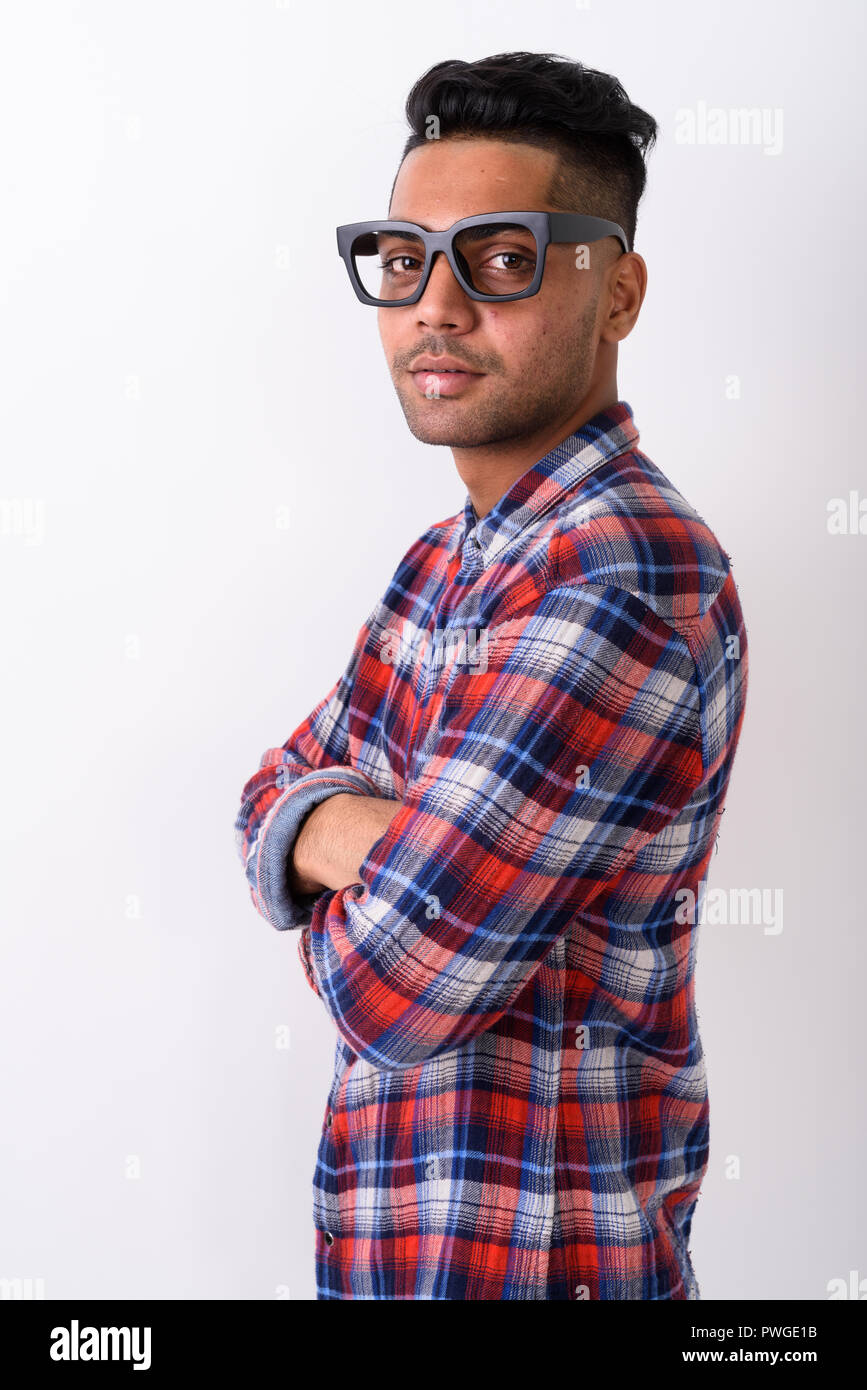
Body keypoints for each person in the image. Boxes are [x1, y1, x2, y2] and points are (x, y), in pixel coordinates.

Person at [234, 51, 749, 1300]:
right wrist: (368, 835)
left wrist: (343, 840)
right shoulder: (439, 564)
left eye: (502, 259)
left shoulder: (623, 577)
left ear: (617, 291)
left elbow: (396, 987)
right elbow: (264, 796)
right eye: (406, 259)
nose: (436, 307)